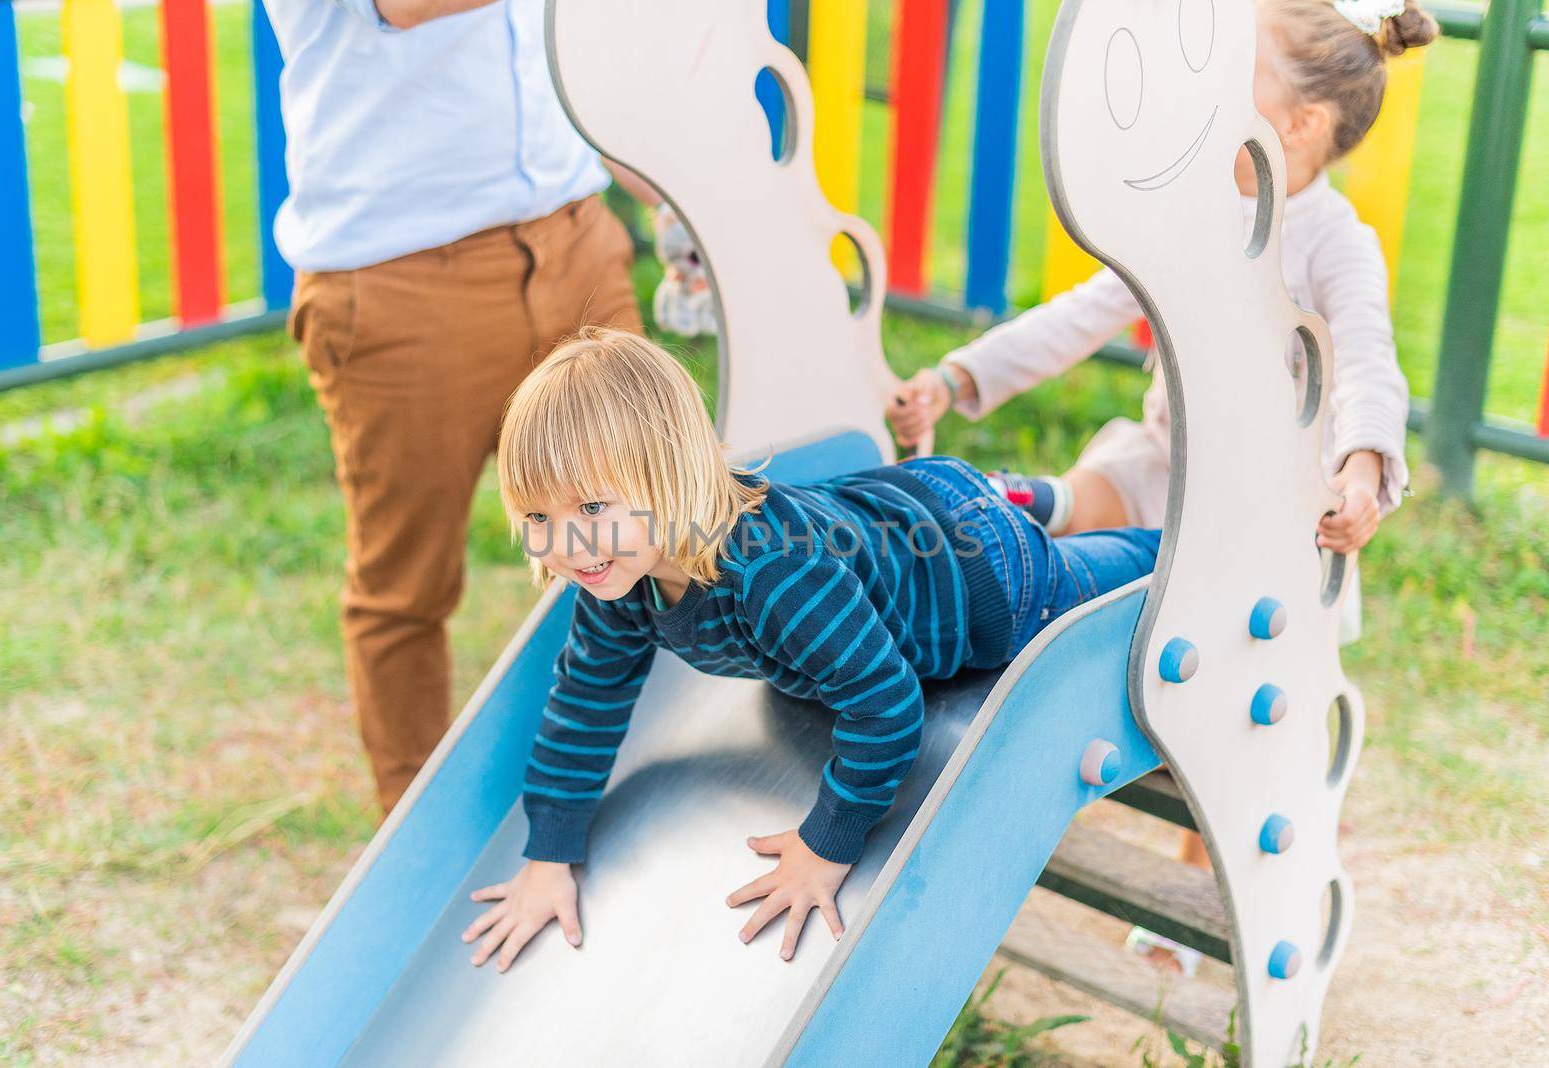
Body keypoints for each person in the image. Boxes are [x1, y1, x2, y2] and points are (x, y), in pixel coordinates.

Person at [887, 0, 1434, 974]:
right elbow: (1081, 313)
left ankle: (1201, 898)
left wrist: (1361, 464)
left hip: (1265, 516)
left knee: (1241, 730)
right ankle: (1029, 511)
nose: (1199, 98)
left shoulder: (1330, 243)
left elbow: (1367, 366)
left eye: (1229, 80)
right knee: (1106, 485)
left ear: (1298, 126)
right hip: (1166, 469)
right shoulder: (1195, 211)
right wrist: (957, 377)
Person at [454, 327, 1162, 971]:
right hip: (901, 506)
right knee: (961, 506)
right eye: (540, 517)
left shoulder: (774, 575)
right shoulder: (615, 573)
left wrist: (828, 842)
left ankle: (1178, 541)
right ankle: (1019, 494)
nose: (567, 542)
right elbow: (587, 696)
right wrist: (550, 850)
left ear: (670, 477)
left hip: (987, 580)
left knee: (1120, 572)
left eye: (592, 508)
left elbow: (886, 705)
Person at [263, 0, 666, 813]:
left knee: (643, 533)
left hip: (573, 235)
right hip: (399, 279)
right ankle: (413, 846)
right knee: (407, 587)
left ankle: (628, 787)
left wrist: (664, 188)